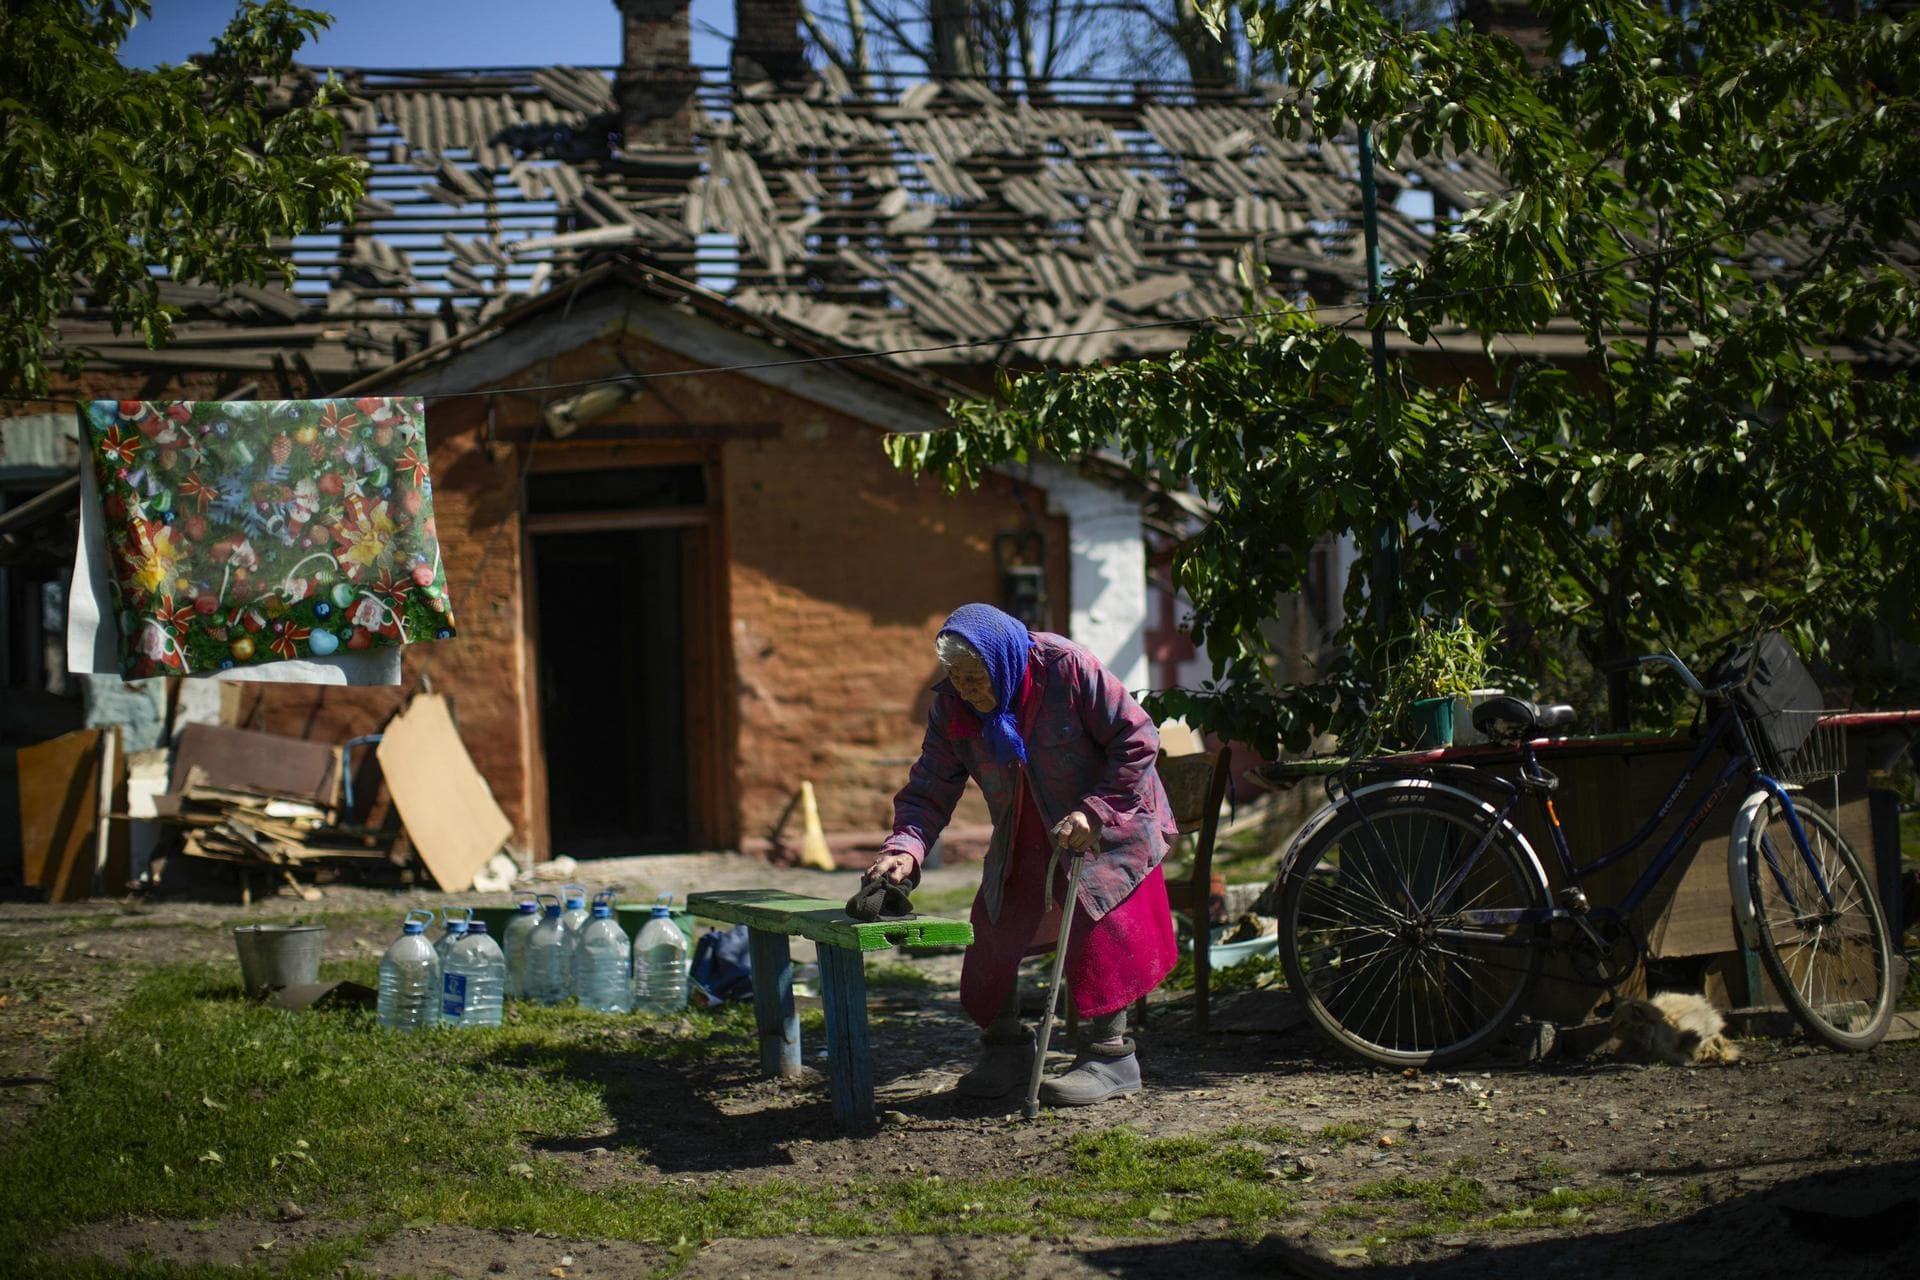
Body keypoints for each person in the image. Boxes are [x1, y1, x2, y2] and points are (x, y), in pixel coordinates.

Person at [865, 602, 1180, 1106]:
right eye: (956, 677)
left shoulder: (1066, 668)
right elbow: (930, 788)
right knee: (993, 924)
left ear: (1003, 660)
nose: (967, 689)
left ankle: (1111, 1057)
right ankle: (1006, 1051)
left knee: (1096, 919)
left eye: (975, 676)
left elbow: (1137, 738)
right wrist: (905, 849)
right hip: (1026, 823)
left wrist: (1095, 811)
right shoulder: (953, 707)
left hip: (1111, 818)